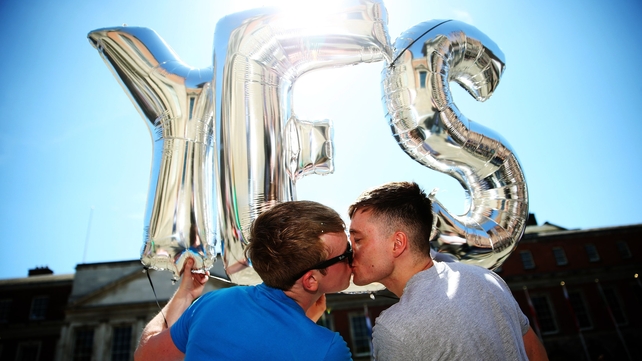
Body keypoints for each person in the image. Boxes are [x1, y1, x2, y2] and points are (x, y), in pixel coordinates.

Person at [348, 181, 549, 361]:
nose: (350, 251)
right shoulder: (486, 278)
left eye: (358, 240)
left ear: (397, 243)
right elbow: (533, 351)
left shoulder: (395, 329)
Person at [134, 201, 354, 361]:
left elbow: (146, 355)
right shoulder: (327, 349)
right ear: (310, 281)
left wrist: (184, 295)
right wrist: (305, 327)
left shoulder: (212, 303)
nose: (354, 256)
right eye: (346, 253)